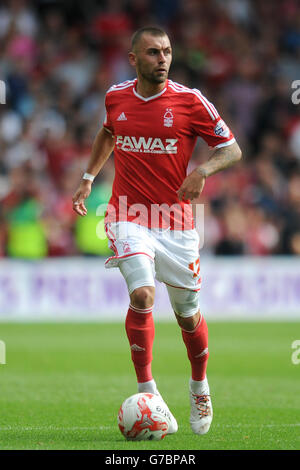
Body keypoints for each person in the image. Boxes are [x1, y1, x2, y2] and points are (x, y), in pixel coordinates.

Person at [72, 26, 242, 436]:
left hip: (178, 223)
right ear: (134, 59)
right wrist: (88, 177)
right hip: (127, 213)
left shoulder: (189, 101)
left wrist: (202, 170)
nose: (162, 59)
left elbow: (231, 149)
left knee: (187, 315)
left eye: (166, 51)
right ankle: (148, 391)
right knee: (143, 293)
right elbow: (109, 132)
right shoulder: (117, 97)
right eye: (152, 52)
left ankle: (198, 385)